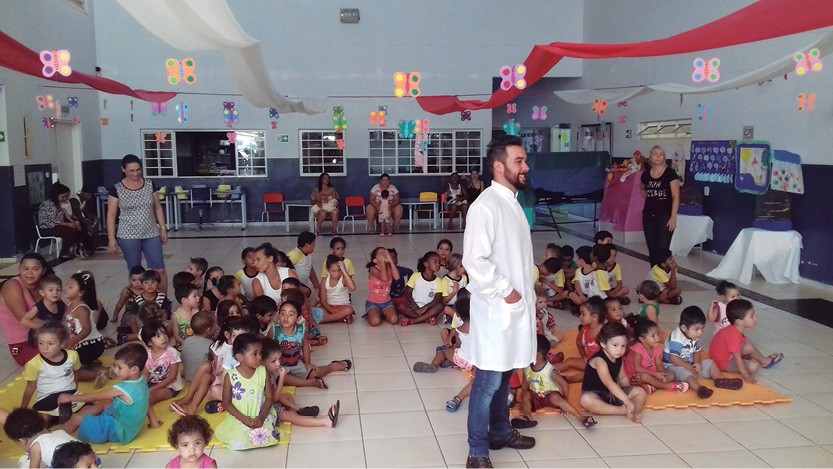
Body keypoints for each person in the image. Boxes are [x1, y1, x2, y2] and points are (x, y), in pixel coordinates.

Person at [461, 135, 536, 467]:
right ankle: (477, 451)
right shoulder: (486, 206)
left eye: (524, 160)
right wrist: (507, 291)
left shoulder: (512, 201)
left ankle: (501, 431)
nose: (525, 167)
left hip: (512, 308)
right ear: (498, 166)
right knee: (489, 380)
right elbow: (474, 261)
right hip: (497, 308)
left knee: (505, 374)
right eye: (518, 161)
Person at [60, 344, 150, 445]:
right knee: (106, 402)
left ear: (134, 370)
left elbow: (95, 396)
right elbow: (146, 404)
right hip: (130, 428)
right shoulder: (142, 380)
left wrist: (70, 397)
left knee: (76, 419)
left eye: (119, 368)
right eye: (115, 366)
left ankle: (56, 439)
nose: (115, 371)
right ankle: (88, 416)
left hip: (117, 431)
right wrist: (154, 423)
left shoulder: (122, 389)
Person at [107, 154, 169, 293]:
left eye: (138, 170)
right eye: (131, 171)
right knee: (136, 274)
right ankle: (138, 301)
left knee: (160, 270)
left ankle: (162, 300)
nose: (135, 174)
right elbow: (111, 215)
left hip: (151, 233)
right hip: (128, 236)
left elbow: (157, 207)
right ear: (123, 169)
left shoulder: (150, 184)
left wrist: (163, 228)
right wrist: (111, 238)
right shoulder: (116, 188)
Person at [171, 317, 258, 416]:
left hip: (238, 389)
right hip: (223, 382)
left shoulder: (246, 355)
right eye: (235, 337)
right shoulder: (229, 351)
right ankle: (191, 401)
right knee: (206, 376)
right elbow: (219, 370)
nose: (239, 341)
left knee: (212, 391)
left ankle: (225, 405)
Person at [214, 333, 283, 451]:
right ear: (239, 357)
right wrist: (244, 419)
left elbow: (269, 397)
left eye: (260, 353)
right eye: (254, 354)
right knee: (239, 435)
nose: (260, 357)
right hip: (239, 416)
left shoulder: (263, 371)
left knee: (268, 434)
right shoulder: (231, 376)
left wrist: (261, 418)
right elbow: (227, 403)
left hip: (261, 414)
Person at [516, 335, 596, 429]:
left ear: (537, 356)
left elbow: (564, 384)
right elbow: (524, 385)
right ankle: (527, 417)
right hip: (536, 397)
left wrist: (565, 401)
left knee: (554, 397)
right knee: (525, 394)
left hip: (550, 396)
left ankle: (580, 417)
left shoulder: (549, 370)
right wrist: (525, 401)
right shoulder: (526, 367)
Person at [579, 323, 647, 423]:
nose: (620, 349)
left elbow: (622, 378)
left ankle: (634, 412)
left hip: (611, 394)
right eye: (615, 345)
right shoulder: (599, 360)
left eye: (623, 346)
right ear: (603, 344)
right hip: (595, 394)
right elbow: (609, 383)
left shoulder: (618, 358)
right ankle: (622, 411)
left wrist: (626, 393)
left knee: (640, 392)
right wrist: (626, 400)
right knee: (586, 400)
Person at [709, 299, 783, 384]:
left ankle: (765, 362)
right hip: (723, 363)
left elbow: (744, 342)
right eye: (751, 316)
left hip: (727, 355)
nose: (755, 318)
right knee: (754, 366)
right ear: (739, 322)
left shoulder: (735, 329)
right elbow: (737, 359)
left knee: (748, 346)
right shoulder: (733, 336)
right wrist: (746, 376)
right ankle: (757, 363)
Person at [21, 321, 82, 417]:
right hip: (47, 399)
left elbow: (76, 372)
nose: (44, 348)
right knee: (43, 419)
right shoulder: (34, 364)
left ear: (62, 343)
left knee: (92, 408)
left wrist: (74, 391)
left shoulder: (73, 355)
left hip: (69, 395)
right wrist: (22, 409)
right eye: (41, 343)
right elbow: (30, 387)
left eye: (50, 343)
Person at [662, 306, 725, 399]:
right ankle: (700, 389)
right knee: (686, 373)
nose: (700, 333)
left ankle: (721, 380)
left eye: (702, 329)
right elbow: (674, 358)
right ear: (684, 328)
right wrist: (690, 368)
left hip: (689, 364)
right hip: (673, 367)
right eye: (697, 329)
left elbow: (697, 351)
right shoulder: (677, 339)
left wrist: (698, 364)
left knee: (710, 363)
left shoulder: (693, 335)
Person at [0, 253, 51, 365]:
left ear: (43, 271)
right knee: (60, 358)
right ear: (19, 269)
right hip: (22, 344)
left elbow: (63, 309)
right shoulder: (12, 286)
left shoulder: (44, 285)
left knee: (76, 352)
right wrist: (56, 328)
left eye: (35, 269)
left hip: (46, 337)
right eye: (25, 268)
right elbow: (24, 318)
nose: (29, 273)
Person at [624, 317, 688, 394]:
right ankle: (667, 386)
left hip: (652, 374)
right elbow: (637, 368)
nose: (657, 338)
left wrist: (661, 374)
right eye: (653, 336)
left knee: (671, 375)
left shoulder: (656, 349)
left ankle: (650, 386)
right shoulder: (638, 349)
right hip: (635, 376)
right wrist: (655, 374)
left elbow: (659, 364)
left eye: (658, 334)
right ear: (642, 339)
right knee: (645, 376)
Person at [640, 145, 680, 267]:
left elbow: (676, 197)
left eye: (661, 154)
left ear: (664, 158)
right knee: (652, 250)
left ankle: (665, 275)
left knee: (663, 250)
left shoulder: (670, 174)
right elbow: (642, 188)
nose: (658, 156)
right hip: (648, 216)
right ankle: (654, 275)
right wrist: (650, 198)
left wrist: (673, 218)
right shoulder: (646, 174)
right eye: (655, 154)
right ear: (650, 157)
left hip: (665, 217)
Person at [64, 272, 106, 386]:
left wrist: (73, 341)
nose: (65, 288)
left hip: (90, 345)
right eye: (67, 285)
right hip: (81, 344)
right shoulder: (71, 304)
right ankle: (92, 365)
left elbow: (87, 329)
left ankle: (102, 372)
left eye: (70, 287)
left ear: (81, 292)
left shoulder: (82, 309)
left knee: (70, 373)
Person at [0, 407, 77, 468]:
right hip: (82, 461)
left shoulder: (36, 446)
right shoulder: (60, 432)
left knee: (25, 464)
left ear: (22, 441)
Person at [141, 321, 183, 429]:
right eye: (158, 336)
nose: (164, 338)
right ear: (149, 342)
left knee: (148, 397)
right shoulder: (147, 353)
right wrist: (139, 387)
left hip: (171, 387)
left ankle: (147, 419)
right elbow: (145, 375)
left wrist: (151, 389)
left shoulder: (172, 353)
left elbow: (172, 378)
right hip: (153, 383)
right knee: (135, 394)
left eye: (164, 333)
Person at [38, 182, 85, 259]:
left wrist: (73, 221)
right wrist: (69, 224)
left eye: (66, 197)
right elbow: (54, 220)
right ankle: (64, 253)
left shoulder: (58, 203)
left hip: (57, 225)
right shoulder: (48, 204)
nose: (65, 199)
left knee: (79, 227)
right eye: (63, 197)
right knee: (71, 231)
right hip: (48, 228)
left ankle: (78, 249)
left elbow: (65, 214)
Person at [400, 252, 447, 326]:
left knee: (440, 306)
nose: (438, 265)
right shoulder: (415, 276)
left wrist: (424, 308)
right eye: (435, 262)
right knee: (401, 306)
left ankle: (414, 321)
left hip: (429, 308)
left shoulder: (438, 281)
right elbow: (407, 293)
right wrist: (416, 307)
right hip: (414, 307)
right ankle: (426, 318)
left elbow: (437, 299)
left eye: (439, 262)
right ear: (426, 264)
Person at [21, 275, 66, 348]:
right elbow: (24, 321)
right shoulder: (39, 307)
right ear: (42, 293)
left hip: (54, 337)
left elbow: (67, 317)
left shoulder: (61, 305)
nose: (55, 293)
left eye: (58, 290)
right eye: (50, 290)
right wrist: (44, 327)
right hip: (39, 339)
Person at [365, 247, 400, 326]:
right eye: (381, 254)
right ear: (375, 260)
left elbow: (397, 277)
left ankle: (383, 314)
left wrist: (391, 261)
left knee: (394, 320)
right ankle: (370, 314)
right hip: (373, 303)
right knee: (375, 322)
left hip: (387, 302)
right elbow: (384, 278)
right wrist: (382, 263)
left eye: (386, 253)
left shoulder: (390, 268)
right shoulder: (373, 269)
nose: (385, 255)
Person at [319, 255, 357, 323]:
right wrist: (330, 310)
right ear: (328, 270)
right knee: (315, 309)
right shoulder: (324, 281)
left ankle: (324, 320)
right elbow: (323, 301)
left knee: (349, 309)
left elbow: (353, 288)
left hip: (342, 306)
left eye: (339, 270)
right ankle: (341, 318)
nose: (337, 274)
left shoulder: (344, 279)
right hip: (328, 307)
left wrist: (344, 271)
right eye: (333, 271)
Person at [181, 311, 215, 383]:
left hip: (188, 376)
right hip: (202, 380)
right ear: (209, 330)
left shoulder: (186, 341)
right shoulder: (210, 344)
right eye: (215, 325)